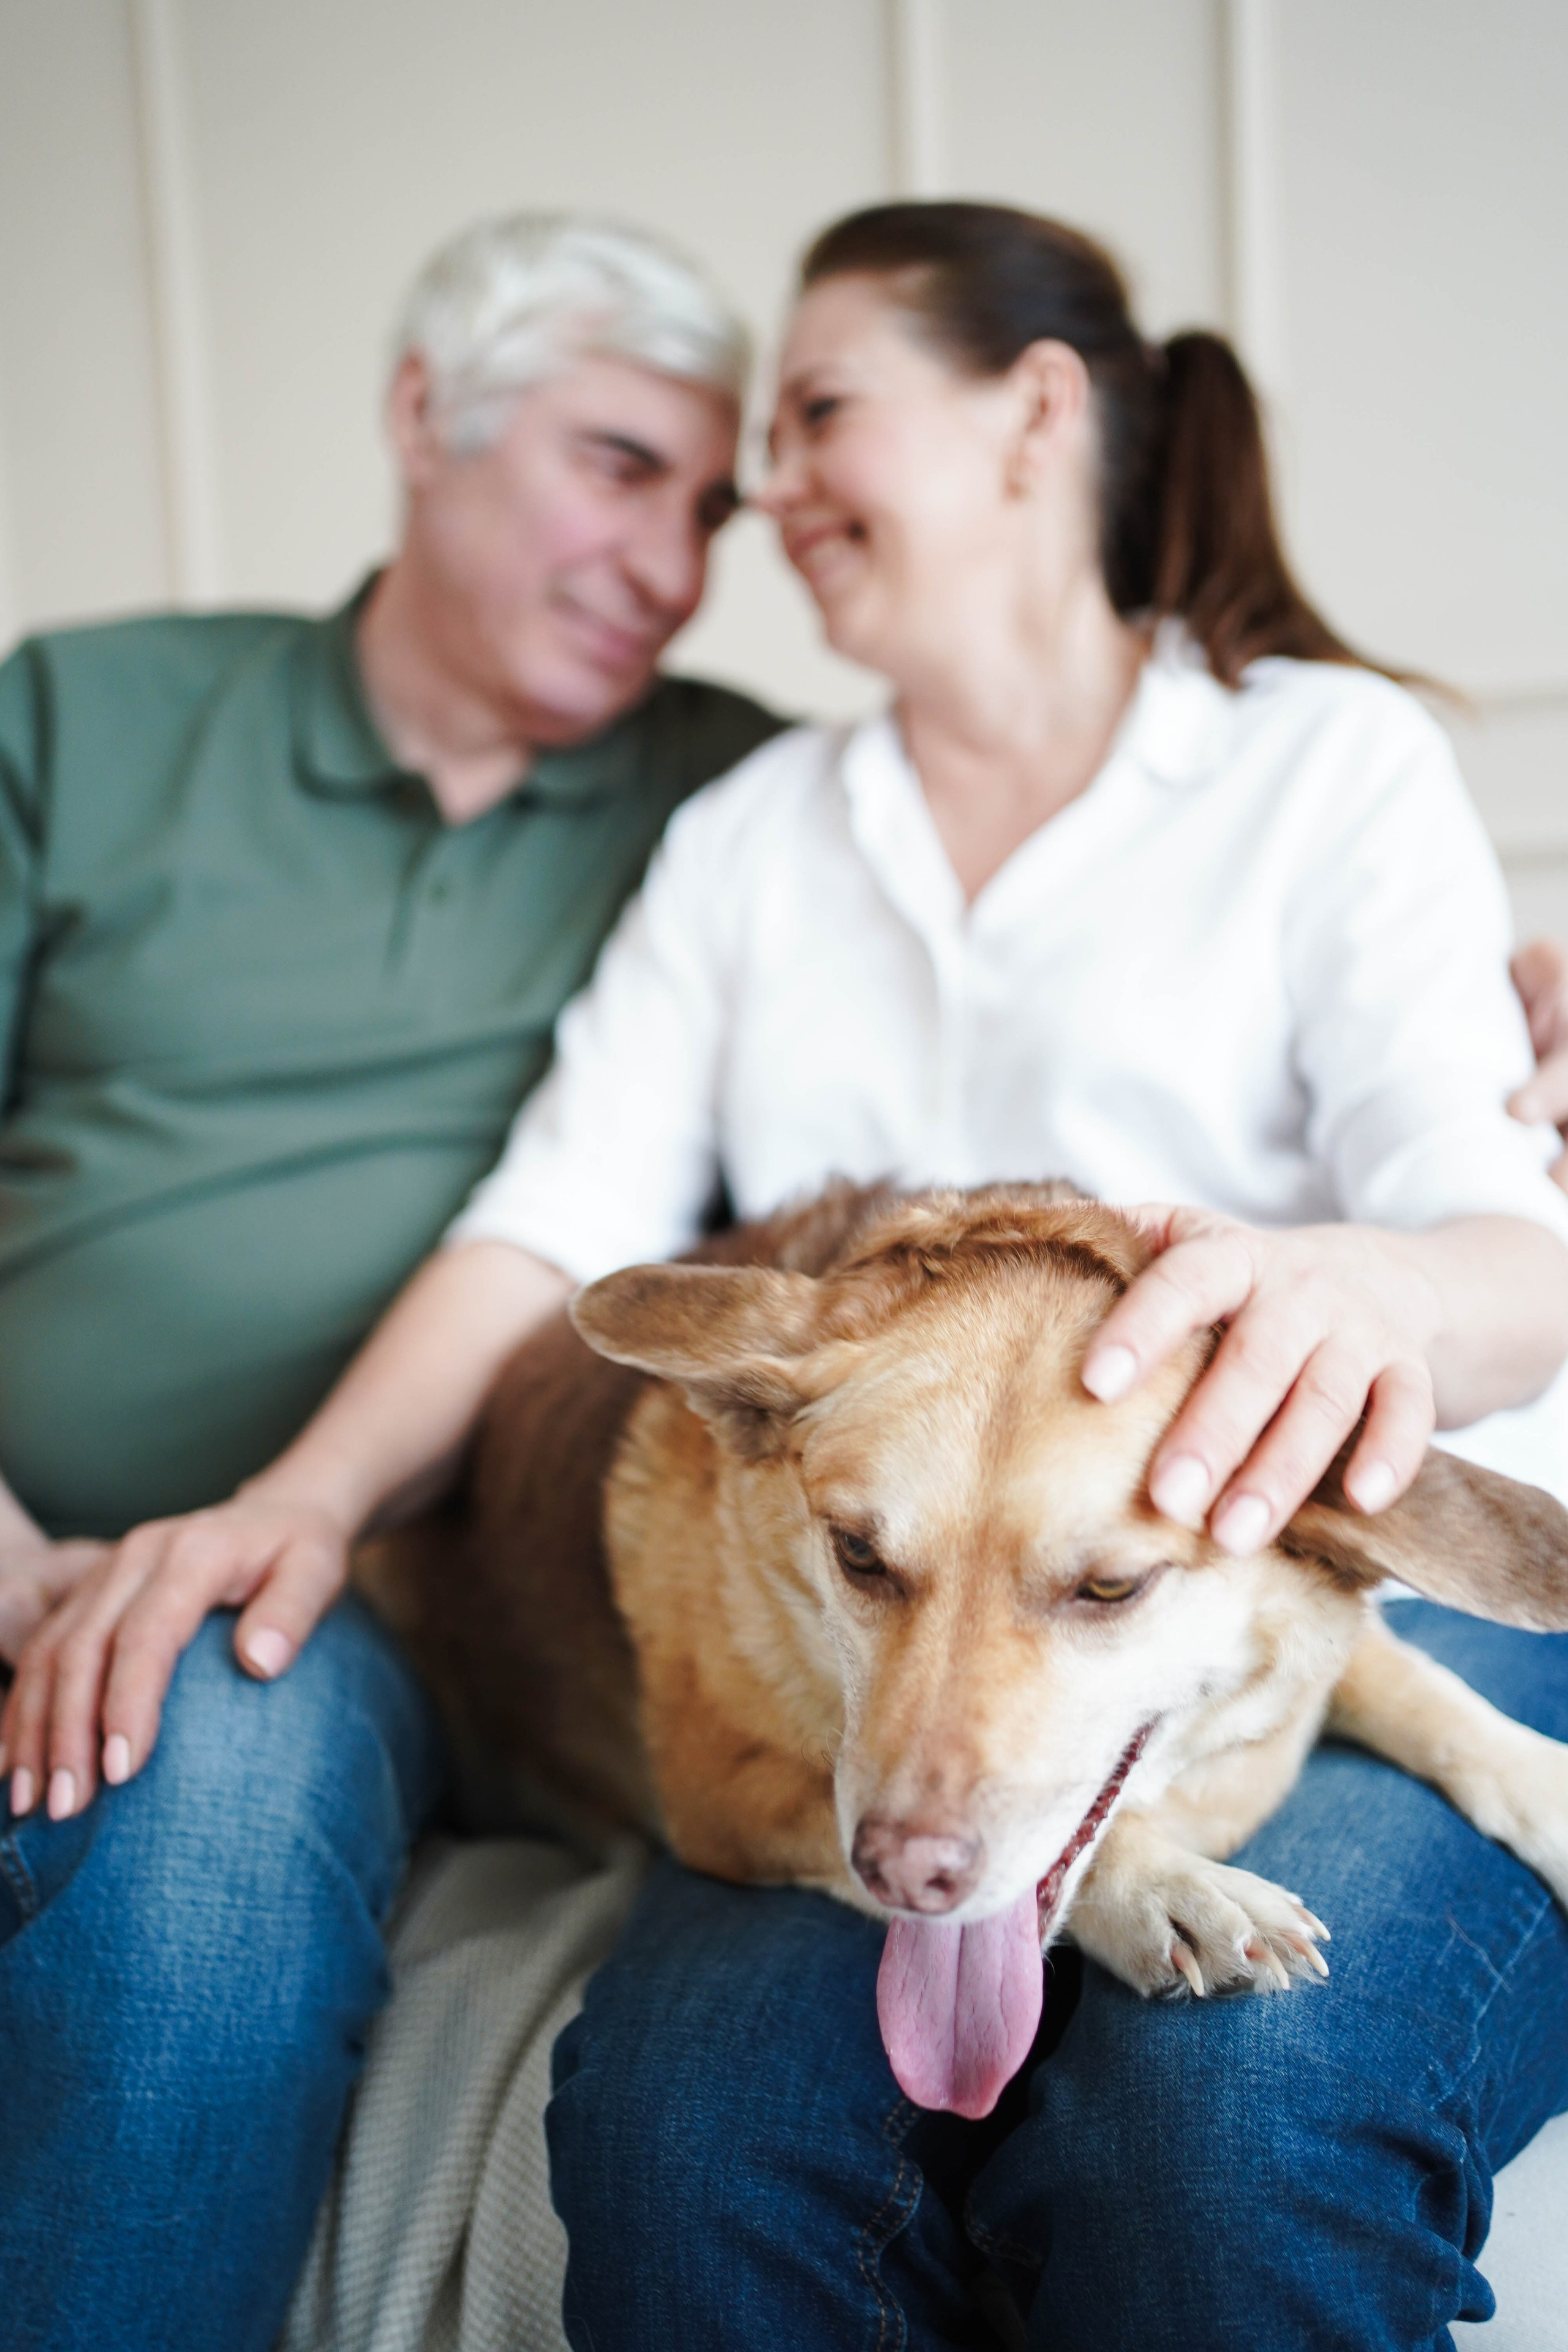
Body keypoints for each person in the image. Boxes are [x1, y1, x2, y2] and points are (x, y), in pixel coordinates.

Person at [8, 197, 1568, 2350]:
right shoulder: (751, 828)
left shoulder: (1322, 767)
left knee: (1228, 2129)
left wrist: (1384, 1289)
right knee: (679, 2149)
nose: (759, 499)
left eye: (817, 415)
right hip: (905, 1600)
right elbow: (558, 1219)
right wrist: (307, 1497)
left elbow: (1514, 1247)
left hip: (1321, 1577)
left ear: (1036, 415)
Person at [0, 211, 782, 2351]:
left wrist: (1494, 1020)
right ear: (428, 415)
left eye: (710, 509)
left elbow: (1096, 934)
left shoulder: (740, 794)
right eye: (620, 467)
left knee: (197, 1758)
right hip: (30, 1540)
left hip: (407, 1583)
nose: (674, 562)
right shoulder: (81, 713)